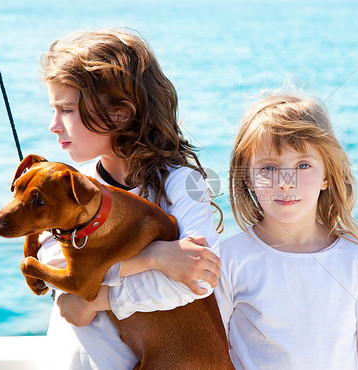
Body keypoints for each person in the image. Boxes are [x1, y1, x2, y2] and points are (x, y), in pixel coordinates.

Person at [36, 29, 221, 369]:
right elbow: (53, 264)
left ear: (120, 114)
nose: (53, 125)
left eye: (65, 109)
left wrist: (96, 299)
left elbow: (199, 278)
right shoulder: (75, 187)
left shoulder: (181, 182)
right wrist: (153, 258)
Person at [215, 93, 358, 369]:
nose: (286, 182)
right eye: (269, 167)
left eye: (303, 165)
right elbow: (211, 353)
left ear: (326, 175)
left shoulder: (357, 263)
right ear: (247, 177)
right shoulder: (229, 261)